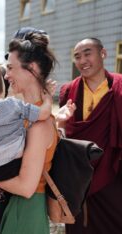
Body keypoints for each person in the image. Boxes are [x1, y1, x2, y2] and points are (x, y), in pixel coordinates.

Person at [0, 32, 59, 234]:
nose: (6, 75)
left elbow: (26, 187)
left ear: (32, 69)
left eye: (10, 68)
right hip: (14, 205)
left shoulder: (39, 125)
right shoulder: (26, 112)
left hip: (26, 210)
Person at [59, 38, 122, 234]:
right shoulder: (68, 90)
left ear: (103, 54)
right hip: (80, 176)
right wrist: (60, 122)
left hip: (115, 171)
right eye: (77, 56)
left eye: (88, 53)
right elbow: (63, 136)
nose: (82, 60)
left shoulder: (120, 86)